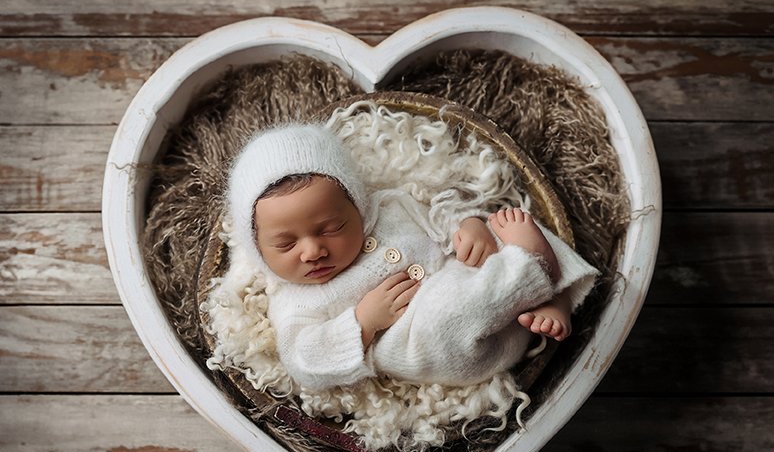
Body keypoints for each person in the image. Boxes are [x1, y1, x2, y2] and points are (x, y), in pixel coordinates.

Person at [227, 123, 598, 392]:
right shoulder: (294, 300)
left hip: (473, 285)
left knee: (503, 222)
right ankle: (532, 267)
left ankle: (554, 295)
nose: (313, 251)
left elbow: (438, 213)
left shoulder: (391, 208)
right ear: (258, 248)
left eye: (330, 228)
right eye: (286, 244)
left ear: (357, 205)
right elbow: (302, 361)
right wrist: (364, 322)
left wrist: (467, 225)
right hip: (432, 344)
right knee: (443, 309)